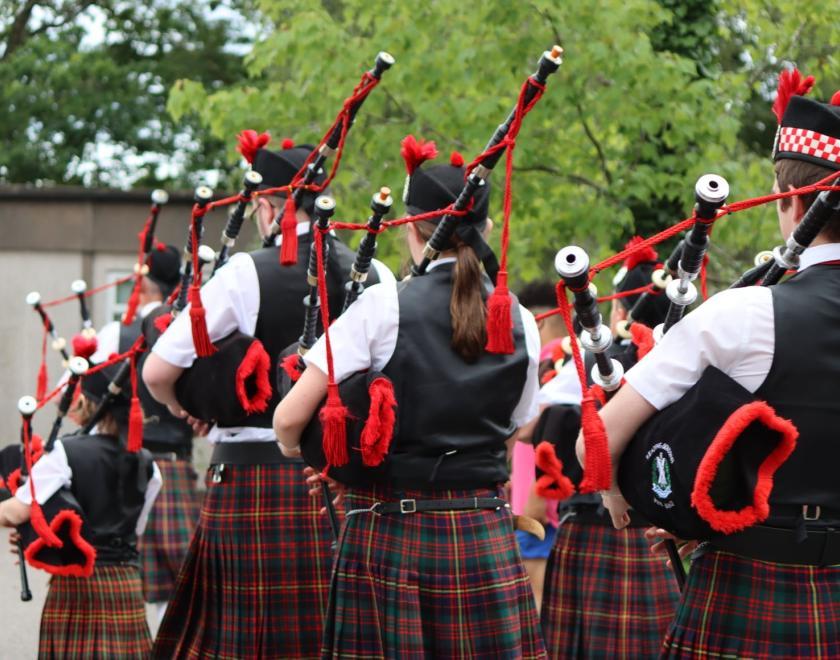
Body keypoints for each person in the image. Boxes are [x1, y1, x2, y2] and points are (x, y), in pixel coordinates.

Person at [588, 78, 840, 657]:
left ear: (789, 200)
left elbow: (596, 443)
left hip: (752, 587)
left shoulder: (744, 315)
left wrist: (649, 500)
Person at [274, 140, 546, 658]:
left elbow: (289, 419)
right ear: (487, 229)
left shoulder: (383, 306)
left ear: (411, 228)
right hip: (483, 530)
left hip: (391, 530)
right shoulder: (522, 320)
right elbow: (516, 424)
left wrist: (321, 456)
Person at [142, 139, 393, 657]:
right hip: (344, 486)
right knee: (335, 640)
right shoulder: (380, 276)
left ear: (267, 205)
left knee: (244, 643)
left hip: (250, 481)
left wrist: (185, 408)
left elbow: (157, 371)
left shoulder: (244, 273)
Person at [535, 242, 679, 658]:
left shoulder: (581, 366)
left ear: (619, 311)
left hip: (592, 531)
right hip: (657, 537)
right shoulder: (687, 363)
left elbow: (528, 423)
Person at [0, 363, 162, 659]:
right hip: (124, 581)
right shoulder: (149, 463)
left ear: (85, 401)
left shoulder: (65, 452)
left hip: (78, 584)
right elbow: (134, 530)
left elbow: (16, 512)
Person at [87, 243, 198, 624]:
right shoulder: (189, 333)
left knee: (119, 568)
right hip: (175, 466)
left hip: (122, 464)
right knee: (178, 579)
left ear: (145, 286)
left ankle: (125, 643)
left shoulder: (114, 335)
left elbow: (86, 401)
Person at [511, 280, 568, 612]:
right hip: (534, 503)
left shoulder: (557, 362)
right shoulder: (556, 360)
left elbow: (553, 437)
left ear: (538, 322)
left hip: (539, 510)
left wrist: (535, 499)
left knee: (536, 606)